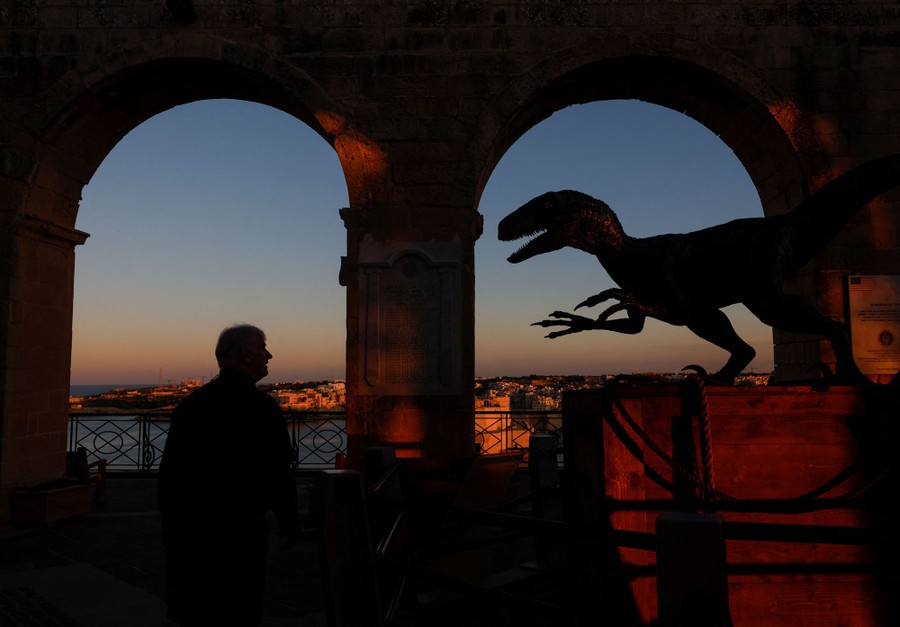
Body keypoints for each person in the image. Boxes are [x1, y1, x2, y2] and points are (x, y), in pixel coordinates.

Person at [158, 324, 299, 626]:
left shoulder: (192, 405)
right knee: (239, 608)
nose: (269, 355)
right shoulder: (262, 407)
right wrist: (289, 520)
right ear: (247, 354)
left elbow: (171, 475)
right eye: (263, 348)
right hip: (241, 534)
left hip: (192, 534)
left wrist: (171, 530)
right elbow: (277, 470)